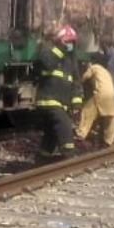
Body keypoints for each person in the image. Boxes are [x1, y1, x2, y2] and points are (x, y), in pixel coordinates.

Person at [33, 26, 82, 158]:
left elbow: (76, 82)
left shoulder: (71, 61)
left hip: (62, 103)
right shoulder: (47, 51)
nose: (70, 45)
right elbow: (48, 63)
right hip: (48, 100)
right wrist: (61, 50)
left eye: (72, 42)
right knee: (65, 126)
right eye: (67, 41)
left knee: (51, 133)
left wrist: (77, 103)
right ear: (59, 41)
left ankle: (43, 159)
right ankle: (69, 157)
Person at [75, 55, 114, 147]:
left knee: (87, 111)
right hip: (112, 96)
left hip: (100, 94)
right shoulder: (106, 71)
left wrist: (77, 82)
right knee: (111, 117)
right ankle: (108, 141)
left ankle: (80, 135)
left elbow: (84, 78)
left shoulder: (94, 67)